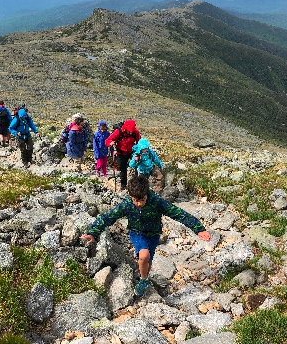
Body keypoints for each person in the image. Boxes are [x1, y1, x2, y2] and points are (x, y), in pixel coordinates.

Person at [81, 175, 211, 296]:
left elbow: (178, 213)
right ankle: (143, 280)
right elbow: (108, 217)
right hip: (137, 233)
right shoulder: (127, 204)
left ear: (146, 194)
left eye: (142, 200)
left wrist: (198, 228)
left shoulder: (156, 201)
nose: (138, 204)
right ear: (131, 196)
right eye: (135, 200)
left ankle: (145, 278)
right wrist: (93, 232)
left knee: (148, 261)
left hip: (154, 235)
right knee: (144, 255)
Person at [105, 119, 141, 191]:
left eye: (131, 131)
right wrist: (111, 143)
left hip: (131, 152)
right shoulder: (118, 132)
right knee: (123, 169)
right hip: (120, 153)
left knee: (137, 166)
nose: (130, 133)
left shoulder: (135, 132)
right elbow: (107, 141)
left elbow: (139, 142)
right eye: (129, 131)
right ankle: (123, 185)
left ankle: (137, 183)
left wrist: (139, 151)